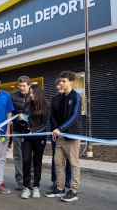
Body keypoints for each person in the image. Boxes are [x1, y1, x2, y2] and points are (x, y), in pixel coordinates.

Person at [44, 71, 82, 202]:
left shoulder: (76, 96)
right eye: (60, 81)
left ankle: (74, 190)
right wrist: (55, 130)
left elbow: (74, 116)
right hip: (60, 136)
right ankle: (60, 188)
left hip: (71, 135)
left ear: (71, 82)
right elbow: (53, 116)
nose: (60, 83)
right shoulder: (59, 98)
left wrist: (60, 129)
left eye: (64, 81)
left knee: (73, 164)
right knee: (58, 162)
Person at [18, 84, 50, 199]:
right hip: (26, 138)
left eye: (32, 93)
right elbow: (24, 122)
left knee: (37, 162)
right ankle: (26, 187)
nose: (30, 95)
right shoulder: (27, 105)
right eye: (30, 93)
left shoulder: (45, 106)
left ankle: (36, 186)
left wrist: (33, 130)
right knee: (26, 161)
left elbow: (44, 124)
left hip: (39, 139)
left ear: (38, 93)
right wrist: (21, 120)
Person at [10, 76, 33, 191]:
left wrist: (29, 123)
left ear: (29, 85)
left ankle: (31, 180)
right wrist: (18, 120)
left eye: (24, 86)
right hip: (17, 131)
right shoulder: (13, 96)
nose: (21, 88)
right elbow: (10, 113)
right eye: (20, 86)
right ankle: (20, 180)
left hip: (30, 132)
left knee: (30, 156)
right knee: (18, 156)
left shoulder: (34, 95)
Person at [50, 78, 72, 190]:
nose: (59, 86)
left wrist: (63, 128)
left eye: (61, 84)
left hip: (67, 132)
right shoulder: (54, 100)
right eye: (57, 85)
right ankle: (55, 180)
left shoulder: (69, 98)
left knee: (69, 158)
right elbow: (51, 116)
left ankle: (68, 179)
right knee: (56, 159)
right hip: (56, 133)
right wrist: (56, 129)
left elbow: (70, 116)